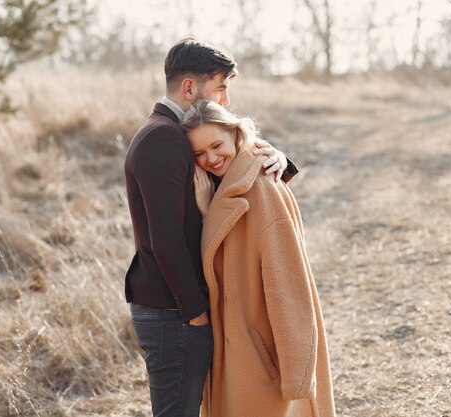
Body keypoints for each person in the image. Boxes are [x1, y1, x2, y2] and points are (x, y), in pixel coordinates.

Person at [123, 37, 298, 417]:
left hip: (179, 308)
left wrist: (279, 159)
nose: (226, 100)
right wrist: (197, 314)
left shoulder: (178, 133)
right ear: (190, 87)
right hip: (174, 311)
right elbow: (164, 240)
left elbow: (228, 168)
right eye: (220, 88)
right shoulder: (163, 138)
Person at [181, 99, 336, 417]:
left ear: (235, 133)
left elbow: (288, 284)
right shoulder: (223, 185)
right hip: (238, 348)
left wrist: (297, 372)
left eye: (216, 145)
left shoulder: (260, 189)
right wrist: (205, 208)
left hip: (260, 353)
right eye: (199, 153)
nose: (211, 158)